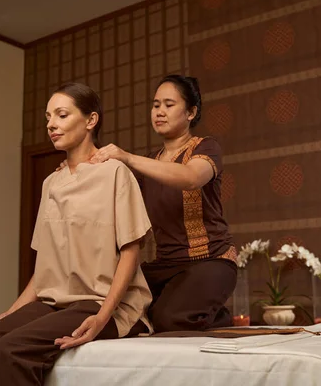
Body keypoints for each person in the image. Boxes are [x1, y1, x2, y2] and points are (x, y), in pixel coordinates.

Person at [0, 83, 153, 386]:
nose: (51, 124)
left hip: (98, 302)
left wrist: (103, 317)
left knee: (9, 352)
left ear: (91, 120)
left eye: (61, 115)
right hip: (52, 303)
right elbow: (45, 268)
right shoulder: (51, 183)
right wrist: (8, 314)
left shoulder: (115, 173)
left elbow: (130, 252)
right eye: (48, 117)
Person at [89, 74, 238, 332]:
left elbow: (191, 177)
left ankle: (219, 316)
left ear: (191, 112)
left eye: (169, 105)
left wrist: (126, 157)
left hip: (210, 261)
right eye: (156, 105)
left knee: (167, 320)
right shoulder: (151, 162)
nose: (159, 112)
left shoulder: (206, 147)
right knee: (117, 308)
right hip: (165, 265)